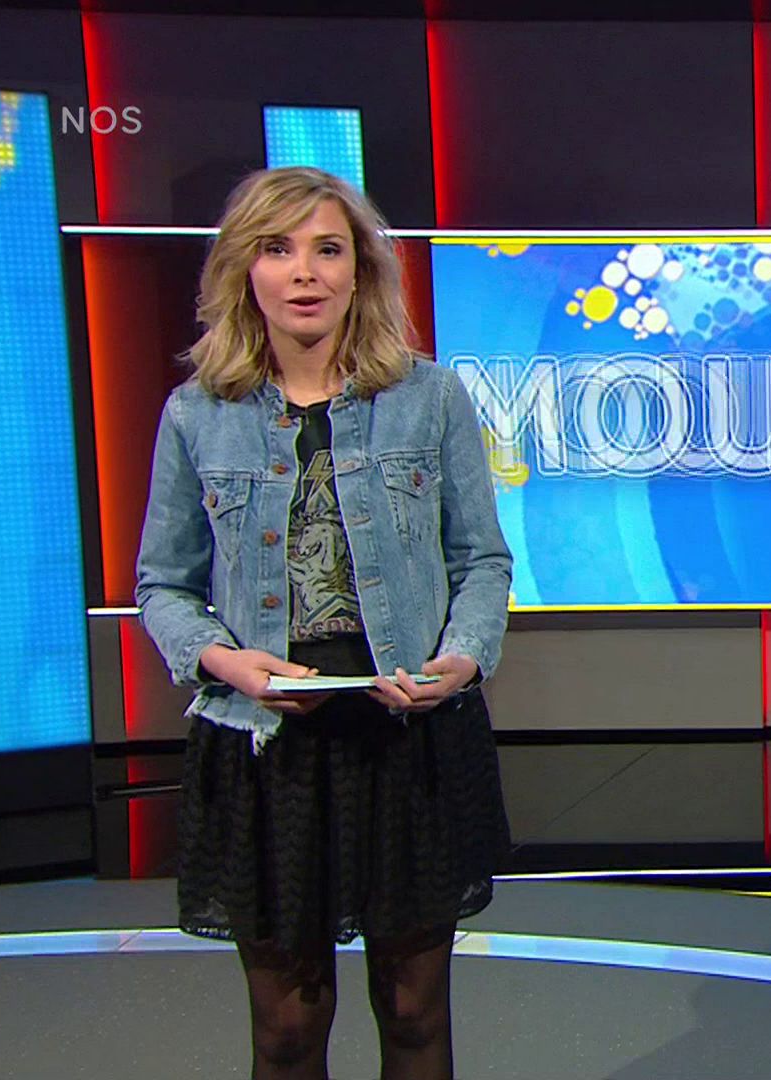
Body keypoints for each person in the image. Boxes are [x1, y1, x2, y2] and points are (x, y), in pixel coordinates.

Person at [135, 165, 513, 1080]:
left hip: (408, 739)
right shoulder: (196, 414)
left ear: (360, 272)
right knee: (287, 1030)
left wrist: (461, 661)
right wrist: (228, 664)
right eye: (278, 249)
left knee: (415, 1016)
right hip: (267, 749)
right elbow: (164, 586)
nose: (304, 271)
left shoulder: (430, 398)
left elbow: (483, 563)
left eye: (327, 249)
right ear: (245, 270)